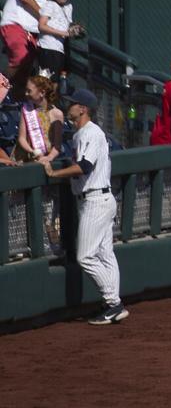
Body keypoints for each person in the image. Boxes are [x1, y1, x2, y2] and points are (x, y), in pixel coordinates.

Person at [43, 88, 129, 324]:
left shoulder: (91, 132)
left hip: (95, 201)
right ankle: (112, 304)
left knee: (86, 257)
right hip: (97, 199)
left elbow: (85, 166)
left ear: (83, 109)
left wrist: (55, 172)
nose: (68, 106)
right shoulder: (81, 133)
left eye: (72, 103)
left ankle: (113, 303)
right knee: (105, 254)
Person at [1, 0, 55, 90]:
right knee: (20, 60)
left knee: (25, 73)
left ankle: (17, 106)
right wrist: (43, 16)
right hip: (15, 23)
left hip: (34, 31)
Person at [37, 0, 83, 79]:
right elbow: (42, 26)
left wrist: (75, 30)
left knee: (55, 84)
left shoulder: (68, 7)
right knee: (45, 82)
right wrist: (64, 33)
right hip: (47, 48)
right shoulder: (49, 5)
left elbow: (68, 28)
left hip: (60, 49)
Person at [13, 75, 64, 164]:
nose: (26, 94)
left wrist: (49, 157)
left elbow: (57, 145)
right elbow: (21, 138)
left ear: (42, 93)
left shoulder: (57, 114)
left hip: (46, 159)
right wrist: (33, 152)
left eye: (29, 91)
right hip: (25, 158)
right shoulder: (26, 109)